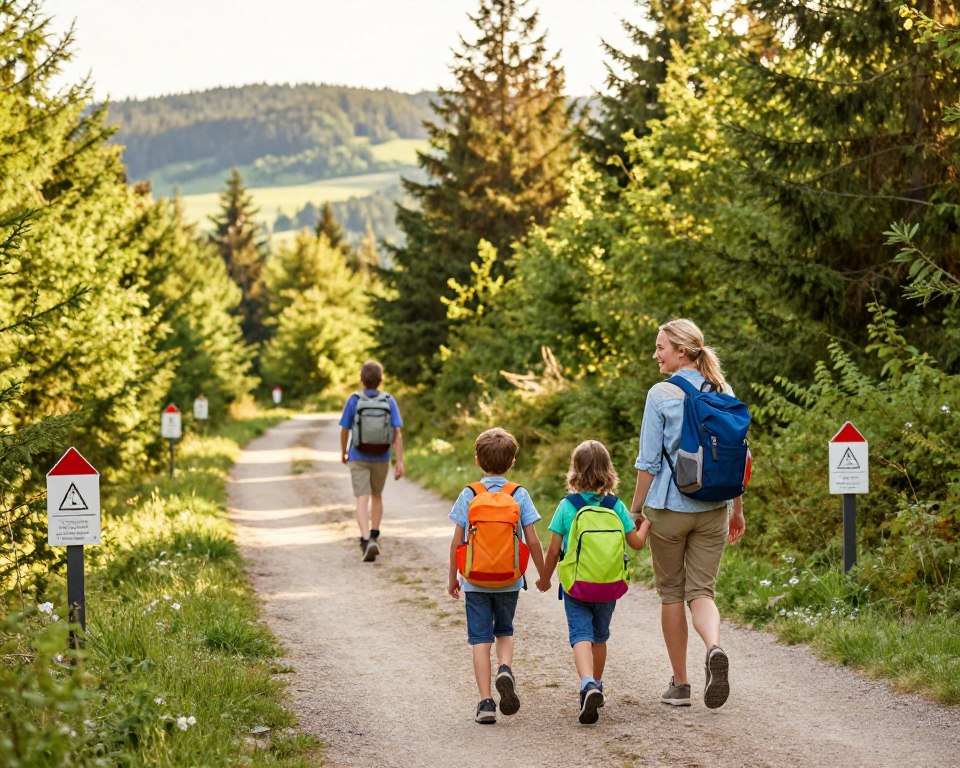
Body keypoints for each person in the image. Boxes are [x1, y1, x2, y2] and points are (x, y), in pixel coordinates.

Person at [629, 318, 746, 710]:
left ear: (681, 351)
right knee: (702, 593)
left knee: (671, 594)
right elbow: (739, 458)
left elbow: (648, 462)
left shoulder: (660, 394)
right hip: (714, 508)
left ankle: (680, 685)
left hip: (669, 508)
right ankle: (714, 647)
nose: (655, 354)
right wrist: (736, 509)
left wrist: (635, 509)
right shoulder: (723, 390)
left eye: (660, 347)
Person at [537, 440, 649, 725]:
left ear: (574, 472)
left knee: (580, 635)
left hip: (576, 586)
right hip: (608, 585)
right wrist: (646, 524)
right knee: (600, 636)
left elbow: (553, 551)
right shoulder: (615, 505)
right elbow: (635, 543)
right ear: (608, 471)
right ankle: (597, 683)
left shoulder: (567, 506)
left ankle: (587, 683)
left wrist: (544, 578)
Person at [446, 427, 546, 725]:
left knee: (480, 639)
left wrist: (453, 577)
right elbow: (533, 540)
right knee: (504, 630)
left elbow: (457, 541)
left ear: (478, 460)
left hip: (475, 580)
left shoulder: (469, 494)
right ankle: (505, 667)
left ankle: (486, 702)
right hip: (509, 579)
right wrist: (543, 574)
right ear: (512, 462)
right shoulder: (519, 494)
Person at [339, 360, 404, 562]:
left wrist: (344, 452)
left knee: (362, 497)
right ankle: (375, 534)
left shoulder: (354, 400)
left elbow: (344, 429)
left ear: (362, 379)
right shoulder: (389, 400)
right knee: (377, 495)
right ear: (380, 380)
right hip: (382, 457)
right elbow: (397, 433)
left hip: (358, 455)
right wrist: (399, 461)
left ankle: (365, 539)